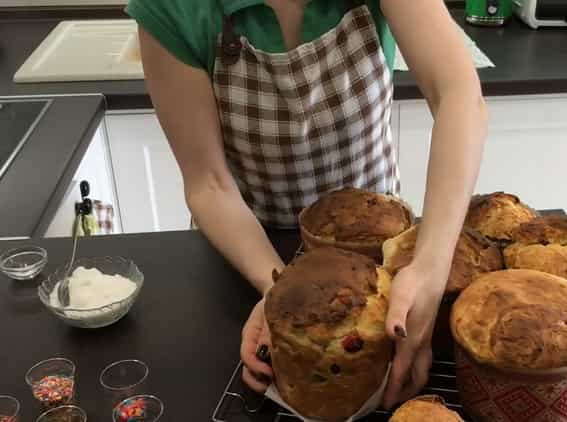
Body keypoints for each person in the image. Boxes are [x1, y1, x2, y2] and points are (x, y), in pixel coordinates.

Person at [127, 0, 487, 408]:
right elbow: (209, 184)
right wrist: (279, 292)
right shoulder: (173, 8)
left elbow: (458, 96)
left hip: (377, 258)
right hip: (250, 254)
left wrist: (430, 266)